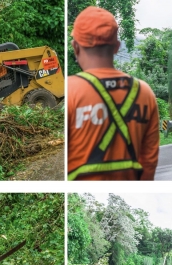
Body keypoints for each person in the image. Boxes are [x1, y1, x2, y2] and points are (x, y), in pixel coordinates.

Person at [68, 6, 159, 181]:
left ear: (76, 47)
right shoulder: (145, 93)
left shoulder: (71, 90)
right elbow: (148, 164)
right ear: (117, 47)